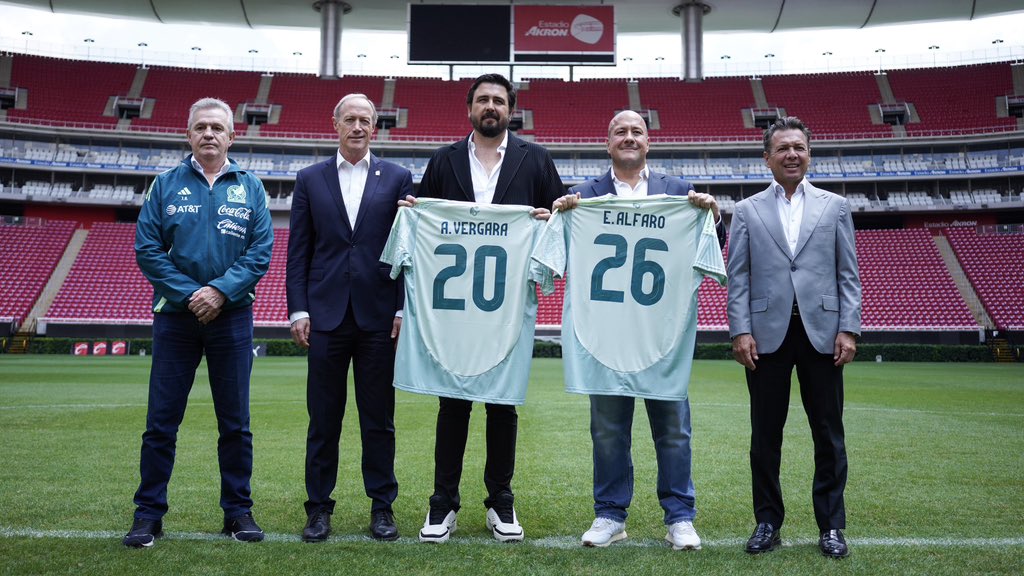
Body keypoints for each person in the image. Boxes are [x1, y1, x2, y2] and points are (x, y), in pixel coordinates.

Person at [548, 110, 726, 550]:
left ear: (648, 142)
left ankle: (680, 516)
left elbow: (708, 250)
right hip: (606, 335)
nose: (628, 137)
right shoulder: (581, 197)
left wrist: (712, 217)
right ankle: (610, 515)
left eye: (636, 132)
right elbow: (554, 251)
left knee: (673, 428)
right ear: (607, 143)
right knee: (608, 430)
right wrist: (558, 216)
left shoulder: (681, 193)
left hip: (660, 333)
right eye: (620, 132)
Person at [409, 73, 564, 543]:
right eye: (483, 100)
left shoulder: (535, 159)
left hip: (509, 306)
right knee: (451, 403)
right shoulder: (443, 160)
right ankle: (443, 502)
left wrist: (548, 218)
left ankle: (501, 499)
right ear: (470, 108)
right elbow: (424, 222)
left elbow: (561, 221)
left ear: (511, 109)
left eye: (498, 100)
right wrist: (414, 213)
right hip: (455, 309)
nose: (490, 106)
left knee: (502, 406)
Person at [124, 97, 273, 548]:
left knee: (236, 423)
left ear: (232, 136)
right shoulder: (165, 185)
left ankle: (237, 512)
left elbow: (260, 251)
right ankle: (148, 514)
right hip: (176, 319)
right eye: (201, 127)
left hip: (232, 319)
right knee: (161, 422)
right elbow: (146, 249)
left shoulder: (251, 187)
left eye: (217, 128)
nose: (209, 134)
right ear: (188, 134)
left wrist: (220, 291)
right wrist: (191, 294)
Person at [727, 116, 861, 559]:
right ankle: (767, 522)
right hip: (766, 337)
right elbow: (738, 279)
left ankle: (831, 526)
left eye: (799, 147)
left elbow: (848, 275)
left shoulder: (835, 206)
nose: (792, 154)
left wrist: (849, 327)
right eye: (783, 148)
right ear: (767, 157)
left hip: (822, 333)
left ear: (809, 154)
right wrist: (740, 330)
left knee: (829, 433)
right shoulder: (746, 211)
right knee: (765, 435)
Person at [286, 94, 413, 542]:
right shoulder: (309, 179)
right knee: (323, 419)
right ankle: (318, 508)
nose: (357, 126)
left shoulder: (398, 177)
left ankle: (382, 507)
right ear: (334, 123)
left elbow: (405, 250)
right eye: (350, 119)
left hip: (379, 316)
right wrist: (298, 308)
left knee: (378, 419)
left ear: (375, 128)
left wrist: (401, 307)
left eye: (366, 120)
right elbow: (298, 249)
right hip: (325, 315)